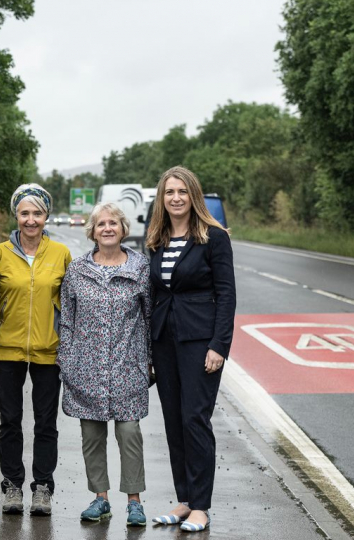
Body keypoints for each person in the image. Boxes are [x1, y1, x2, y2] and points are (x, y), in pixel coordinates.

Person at [145, 166, 236, 532]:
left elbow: (227, 294)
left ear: (193, 195)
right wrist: (148, 349)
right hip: (164, 340)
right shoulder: (157, 238)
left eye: (182, 191)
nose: (176, 198)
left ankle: (201, 506)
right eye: (169, 192)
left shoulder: (214, 237)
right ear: (161, 198)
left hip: (200, 342)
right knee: (172, 421)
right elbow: (153, 293)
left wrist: (219, 345)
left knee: (194, 419)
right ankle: (184, 500)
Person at [57, 202, 151, 527]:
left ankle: (135, 501)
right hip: (86, 369)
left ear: (123, 229)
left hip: (128, 366)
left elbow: (150, 318)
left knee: (129, 433)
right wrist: (67, 361)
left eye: (113, 223)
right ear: (92, 232)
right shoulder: (77, 271)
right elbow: (66, 319)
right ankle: (100, 498)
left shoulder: (140, 268)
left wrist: (149, 362)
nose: (107, 228)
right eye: (101, 224)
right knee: (92, 435)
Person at [0, 184, 71, 516]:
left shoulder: (61, 254)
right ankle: (12, 486)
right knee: (9, 420)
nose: (31, 220)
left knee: (45, 422)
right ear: (16, 215)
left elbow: (70, 305)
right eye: (25, 213)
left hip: (49, 350)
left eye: (37, 213)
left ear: (46, 215)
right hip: (7, 349)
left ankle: (42, 488)